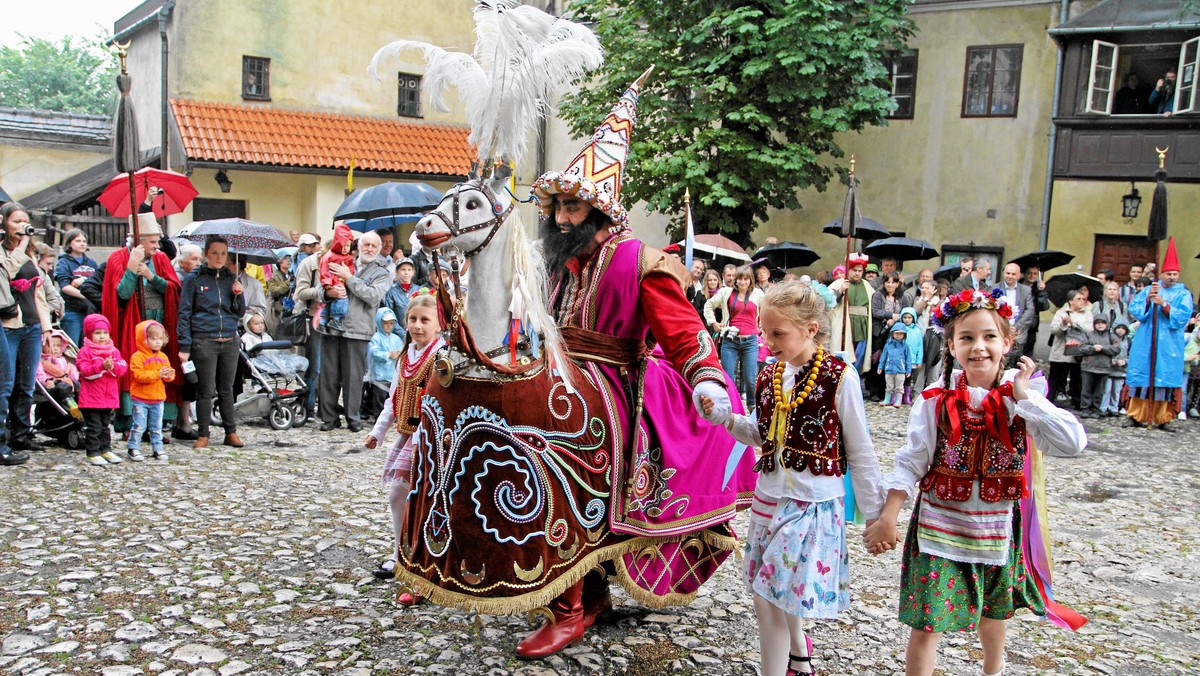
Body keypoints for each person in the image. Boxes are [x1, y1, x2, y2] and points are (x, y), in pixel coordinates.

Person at [866, 291, 1086, 676]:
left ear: (1007, 342)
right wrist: (889, 515)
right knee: (926, 625)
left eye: (989, 337)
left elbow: (1073, 443)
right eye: (966, 338)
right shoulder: (935, 399)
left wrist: (1026, 397)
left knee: (994, 613)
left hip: (995, 529)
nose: (978, 347)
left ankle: (992, 669)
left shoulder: (1021, 400)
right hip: (939, 529)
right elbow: (912, 459)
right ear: (951, 344)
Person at [700, 282, 883, 676]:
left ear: (811, 329)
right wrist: (726, 418)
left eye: (777, 333)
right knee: (775, 590)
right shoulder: (769, 375)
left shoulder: (840, 377)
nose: (766, 341)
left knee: (770, 597)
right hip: (769, 498)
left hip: (811, 502)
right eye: (764, 332)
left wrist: (875, 513)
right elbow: (762, 432)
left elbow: (861, 450)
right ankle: (799, 654)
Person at [364, 294, 443, 587]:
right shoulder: (405, 357)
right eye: (413, 319)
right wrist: (377, 432)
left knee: (422, 496)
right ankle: (402, 552)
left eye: (425, 320)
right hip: (408, 435)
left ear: (438, 324)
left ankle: (423, 555)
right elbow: (393, 398)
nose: (418, 326)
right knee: (399, 493)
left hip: (433, 436)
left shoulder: (441, 356)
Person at [101, 212, 182, 437]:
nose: (158, 246)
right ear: (139, 241)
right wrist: (132, 267)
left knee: (158, 367)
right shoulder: (117, 259)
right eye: (153, 242)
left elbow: (173, 289)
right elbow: (121, 294)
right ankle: (130, 424)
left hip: (159, 322)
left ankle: (156, 425)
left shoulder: (161, 259)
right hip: (133, 324)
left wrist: (151, 276)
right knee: (136, 369)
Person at [317, 230, 391, 433]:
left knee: (353, 377)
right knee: (328, 375)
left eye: (373, 246)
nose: (369, 249)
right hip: (332, 326)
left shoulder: (382, 271)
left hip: (358, 329)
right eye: (365, 245)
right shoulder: (341, 259)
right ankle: (329, 418)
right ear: (358, 245)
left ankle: (353, 418)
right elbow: (318, 289)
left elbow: (373, 296)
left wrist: (349, 279)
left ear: (378, 250)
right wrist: (328, 292)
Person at [178, 235, 246, 450]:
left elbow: (239, 313)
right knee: (205, 390)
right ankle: (204, 433)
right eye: (215, 253)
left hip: (229, 338)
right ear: (206, 253)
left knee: (227, 388)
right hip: (204, 339)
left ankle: (231, 432)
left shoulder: (231, 278)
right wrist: (184, 345)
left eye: (223, 253)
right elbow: (184, 313)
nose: (219, 257)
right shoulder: (194, 278)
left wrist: (238, 296)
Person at [2, 203, 53, 455]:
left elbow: (39, 293)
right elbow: (7, 271)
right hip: (9, 325)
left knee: (26, 384)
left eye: (24, 221)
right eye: (15, 222)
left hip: (31, 325)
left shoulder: (31, 254)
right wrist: (21, 244)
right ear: (4, 223)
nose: (21, 226)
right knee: (6, 383)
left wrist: (47, 328)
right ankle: (5, 435)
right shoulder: (3, 251)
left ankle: (22, 434)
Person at [1126, 238, 1193, 430]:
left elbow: (1182, 317)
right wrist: (1148, 299)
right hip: (1147, 340)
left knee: (1164, 378)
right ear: (1162, 274)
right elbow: (1136, 310)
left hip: (1169, 344)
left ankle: (1163, 418)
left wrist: (1164, 304)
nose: (1172, 277)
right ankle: (1136, 415)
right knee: (1142, 377)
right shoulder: (1150, 288)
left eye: (1175, 274)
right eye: (1169, 273)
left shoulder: (1183, 294)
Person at [704, 267, 764, 405]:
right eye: (740, 279)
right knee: (727, 377)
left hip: (750, 341)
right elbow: (709, 305)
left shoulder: (758, 294)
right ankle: (726, 406)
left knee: (750, 379)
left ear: (751, 280)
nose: (742, 282)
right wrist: (713, 323)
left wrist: (763, 328)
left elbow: (767, 310)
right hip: (730, 340)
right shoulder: (726, 292)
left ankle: (752, 408)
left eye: (746, 279)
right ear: (736, 280)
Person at [76, 314, 129, 466]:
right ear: (89, 334)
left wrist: (113, 367)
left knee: (105, 425)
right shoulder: (85, 351)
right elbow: (85, 370)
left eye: (105, 333)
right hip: (91, 397)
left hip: (108, 396)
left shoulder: (114, 351)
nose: (102, 336)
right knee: (94, 426)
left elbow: (123, 367)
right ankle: (93, 451)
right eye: (97, 333)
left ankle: (105, 449)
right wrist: (100, 366)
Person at [126, 320, 175, 461]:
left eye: (160, 338)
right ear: (144, 339)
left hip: (158, 398)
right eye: (153, 339)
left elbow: (169, 376)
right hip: (140, 398)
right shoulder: (137, 356)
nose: (157, 342)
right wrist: (157, 374)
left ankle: (157, 449)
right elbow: (139, 375)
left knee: (156, 426)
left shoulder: (163, 357)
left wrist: (169, 375)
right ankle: (133, 448)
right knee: (139, 425)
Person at [292, 238, 326, 422]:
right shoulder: (309, 264)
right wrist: (323, 291)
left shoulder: (341, 263)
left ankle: (325, 408)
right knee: (315, 365)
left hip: (335, 321)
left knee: (328, 368)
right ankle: (308, 407)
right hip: (312, 319)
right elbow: (300, 293)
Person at [54, 228, 100, 346]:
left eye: (84, 241)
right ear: (70, 243)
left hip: (90, 311)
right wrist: (86, 296)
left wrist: (84, 279)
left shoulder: (92, 263)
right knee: (72, 347)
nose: (82, 244)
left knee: (88, 346)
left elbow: (98, 282)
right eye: (78, 241)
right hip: (72, 311)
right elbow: (65, 287)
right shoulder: (63, 263)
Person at [829, 253, 874, 372]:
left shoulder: (867, 285)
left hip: (862, 327)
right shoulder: (839, 283)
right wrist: (841, 291)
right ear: (849, 269)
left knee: (859, 358)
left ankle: (855, 379)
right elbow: (828, 302)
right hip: (845, 326)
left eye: (860, 271)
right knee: (844, 356)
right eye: (855, 270)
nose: (857, 273)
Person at [1049, 290, 1092, 409]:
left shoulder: (1087, 313)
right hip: (1060, 351)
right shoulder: (1061, 312)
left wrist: (1073, 323)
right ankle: (1049, 400)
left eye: (1083, 299)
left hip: (1078, 351)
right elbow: (1054, 330)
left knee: (1077, 379)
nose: (1082, 301)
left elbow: (1089, 330)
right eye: (1078, 299)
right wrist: (1063, 324)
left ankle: (1077, 402)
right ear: (1070, 301)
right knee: (1055, 377)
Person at [365, 307, 404, 420]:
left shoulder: (396, 338)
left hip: (392, 374)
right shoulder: (376, 338)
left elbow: (402, 348)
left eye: (391, 323)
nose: (388, 326)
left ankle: (392, 416)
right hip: (380, 374)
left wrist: (399, 354)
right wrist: (387, 355)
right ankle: (378, 416)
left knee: (392, 397)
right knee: (379, 397)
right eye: (385, 323)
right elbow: (373, 352)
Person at [1077, 315, 1119, 419]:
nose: (1100, 325)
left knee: (1099, 391)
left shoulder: (1111, 336)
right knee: (1086, 389)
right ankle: (1085, 408)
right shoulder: (1088, 334)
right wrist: (1093, 348)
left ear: (1107, 324)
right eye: (1098, 323)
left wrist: (1103, 348)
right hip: (1088, 367)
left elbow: (1116, 349)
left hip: (1104, 368)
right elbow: (1082, 348)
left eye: (1103, 322)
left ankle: (1096, 409)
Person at [994, 263, 1035, 367]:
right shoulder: (994, 289)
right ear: (1004, 273)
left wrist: (1016, 327)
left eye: (1013, 274)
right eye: (1008, 273)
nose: (1010, 276)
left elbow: (1030, 311)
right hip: (1000, 331)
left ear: (1019, 275)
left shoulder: (1026, 290)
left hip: (1018, 334)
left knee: (1015, 364)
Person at [320, 223, 356, 332]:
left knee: (333, 302)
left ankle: (324, 320)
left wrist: (349, 276)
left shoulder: (348, 257)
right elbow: (324, 269)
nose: (345, 248)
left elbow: (350, 270)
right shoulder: (329, 256)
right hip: (334, 282)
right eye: (343, 245)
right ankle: (335, 319)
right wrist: (327, 283)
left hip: (342, 281)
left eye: (347, 246)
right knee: (342, 298)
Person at [36, 329, 80, 418]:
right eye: (51, 345)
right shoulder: (41, 361)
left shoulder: (64, 359)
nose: (55, 348)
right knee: (63, 387)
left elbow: (72, 370)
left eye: (58, 346)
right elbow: (39, 374)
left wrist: (75, 377)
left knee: (79, 386)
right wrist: (46, 381)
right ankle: (72, 406)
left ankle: (84, 405)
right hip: (54, 384)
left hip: (67, 381)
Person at [381, 256, 419, 340]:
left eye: (409, 270)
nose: (406, 273)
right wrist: (404, 334)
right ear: (397, 271)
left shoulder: (419, 290)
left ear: (413, 272)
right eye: (403, 270)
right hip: (398, 337)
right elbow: (389, 315)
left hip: (418, 333)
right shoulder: (391, 292)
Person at [1020, 265, 1050, 360]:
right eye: (1029, 273)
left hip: (1031, 326)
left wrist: (1042, 292)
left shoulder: (1037, 289)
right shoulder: (1017, 286)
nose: (1032, 276)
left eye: (1035, 273)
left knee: (1026, 355)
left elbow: (1044, 307)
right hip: (1017, 324)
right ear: (1024, 274)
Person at [1101, 320, 1130, 417]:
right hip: (1109, 369)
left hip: (1121, 370)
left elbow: (1132, 356)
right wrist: (1111, 360)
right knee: (1106, 389)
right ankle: (1103, 407)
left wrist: (1125, 361)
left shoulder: (1129, 341)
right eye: (1119, 328)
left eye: (1123, 328)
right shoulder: (1109, 339)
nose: (1121, 331)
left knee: (1117, 390)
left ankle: (1114, 407)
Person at [878, 325, 911, 408]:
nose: (898, 335)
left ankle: (898, 400)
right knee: (889, 386)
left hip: (900, 370)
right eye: (896, 333)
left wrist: (908, 370)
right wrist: (880, 366)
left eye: (901, 334)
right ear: (892, 334)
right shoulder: (887, 345)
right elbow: (883, 357)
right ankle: (887, 399)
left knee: (899, 386)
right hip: (889, 369)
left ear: (904, 335)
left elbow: (908, 359)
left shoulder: (905, 346)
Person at [34, 243, 64, 322]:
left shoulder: (44, 276)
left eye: (52, 264)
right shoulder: (39, 274)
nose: (50, 268)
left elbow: (55, 299)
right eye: (48, 264)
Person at [899, 306, 923, 405]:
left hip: (912, 359)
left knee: (909, 378)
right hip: (900, 359)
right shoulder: (899, 329)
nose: (907, 320)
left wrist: (919, 360)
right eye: (905, 318)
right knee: (900, 378)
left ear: (913, 318)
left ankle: (907, 395)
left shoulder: (917, 331)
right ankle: (898, 395)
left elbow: (919, 346)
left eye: (909, 317)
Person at [1185, 325, 1200, 418]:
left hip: (1196, 366)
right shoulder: (1189, 337)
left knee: (1197, 387)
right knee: (1187, 386)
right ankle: (1184, 407)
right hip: (1190, 366)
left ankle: (1193, 407)